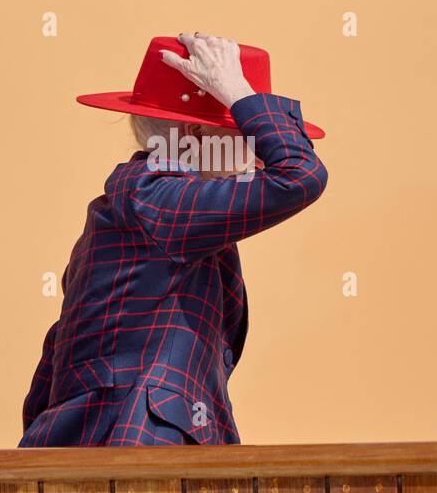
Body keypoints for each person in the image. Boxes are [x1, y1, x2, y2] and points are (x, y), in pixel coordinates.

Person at [19, 32, 328, 446]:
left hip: (116, 453)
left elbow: (56, 354)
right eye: (246, 134)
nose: (258, 155)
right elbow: (299, 175)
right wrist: (237, 91)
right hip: (139, 452)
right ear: (197, 136)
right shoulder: (156, 200)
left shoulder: (135, 204)